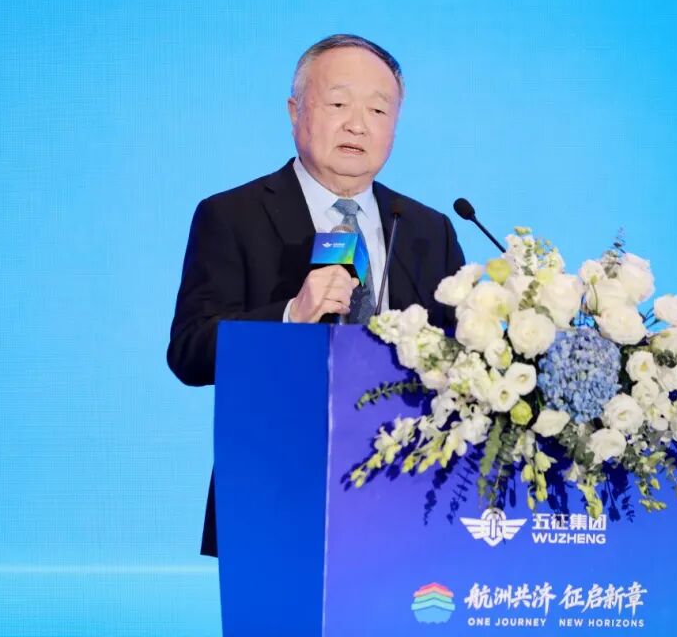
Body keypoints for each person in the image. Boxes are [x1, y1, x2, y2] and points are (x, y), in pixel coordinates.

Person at [167, 34, 465, 556]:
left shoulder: (427, 228)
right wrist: (290, 315)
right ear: (295, 111)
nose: (358, 124)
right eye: (338, 103)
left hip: (409, 501)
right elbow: (190, 353)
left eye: (378, 109)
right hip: (277, 497)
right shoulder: (232, 216)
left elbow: (464, 358)